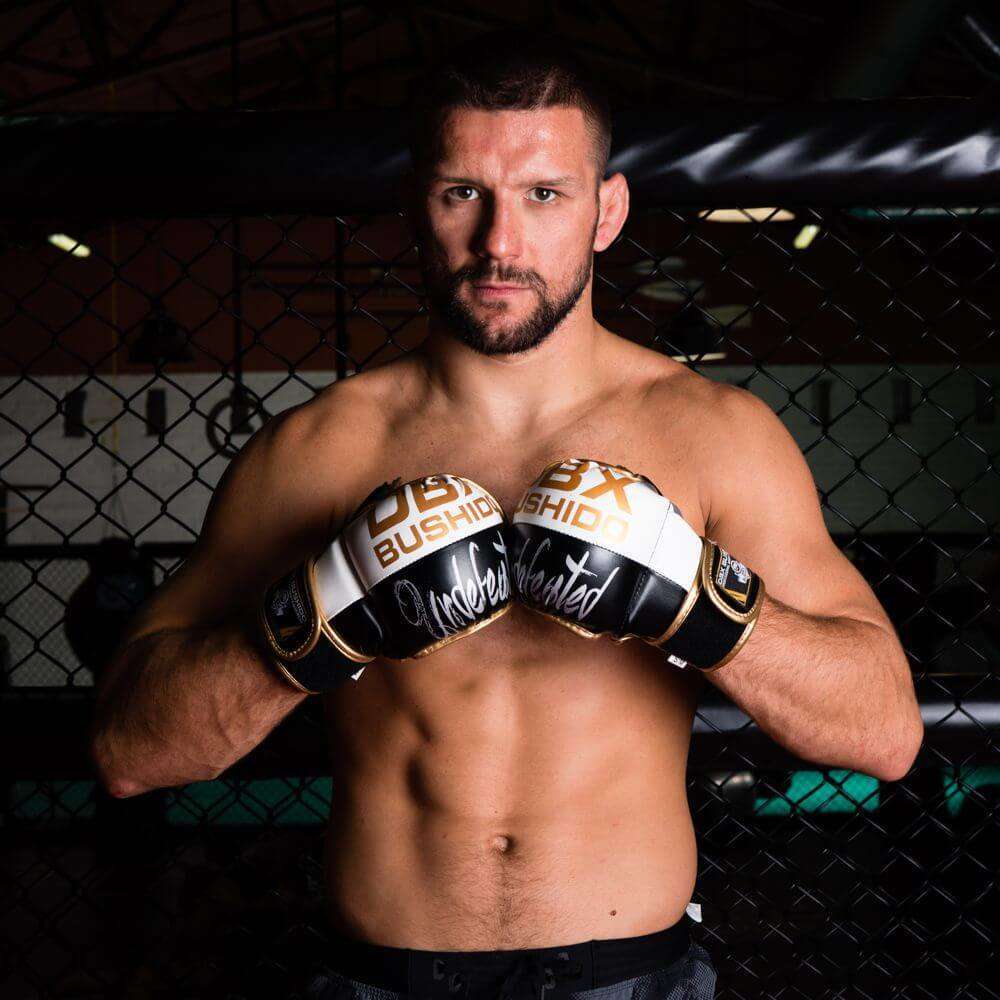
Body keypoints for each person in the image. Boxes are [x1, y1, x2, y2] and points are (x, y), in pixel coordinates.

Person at [89, 30, 924, 1000]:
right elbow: (129, 752)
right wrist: (312, 623)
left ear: (607, 211)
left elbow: (885, 731)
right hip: (379, 979)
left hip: (630, 978)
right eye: (462, 193)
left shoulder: (714, 436)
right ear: (417, 205)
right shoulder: (318, 453)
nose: (499, 242)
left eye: (544, 194)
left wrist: (701, 603)